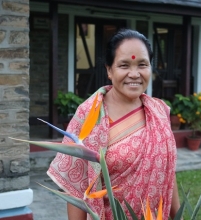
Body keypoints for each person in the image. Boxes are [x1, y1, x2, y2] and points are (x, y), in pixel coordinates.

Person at [47, 29, 181, 220]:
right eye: (124, 65)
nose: (134, 74)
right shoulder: (90, 115)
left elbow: (168, 173)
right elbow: (75, 185)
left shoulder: (159, 112)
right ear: (109, 70)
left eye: (142, 64)